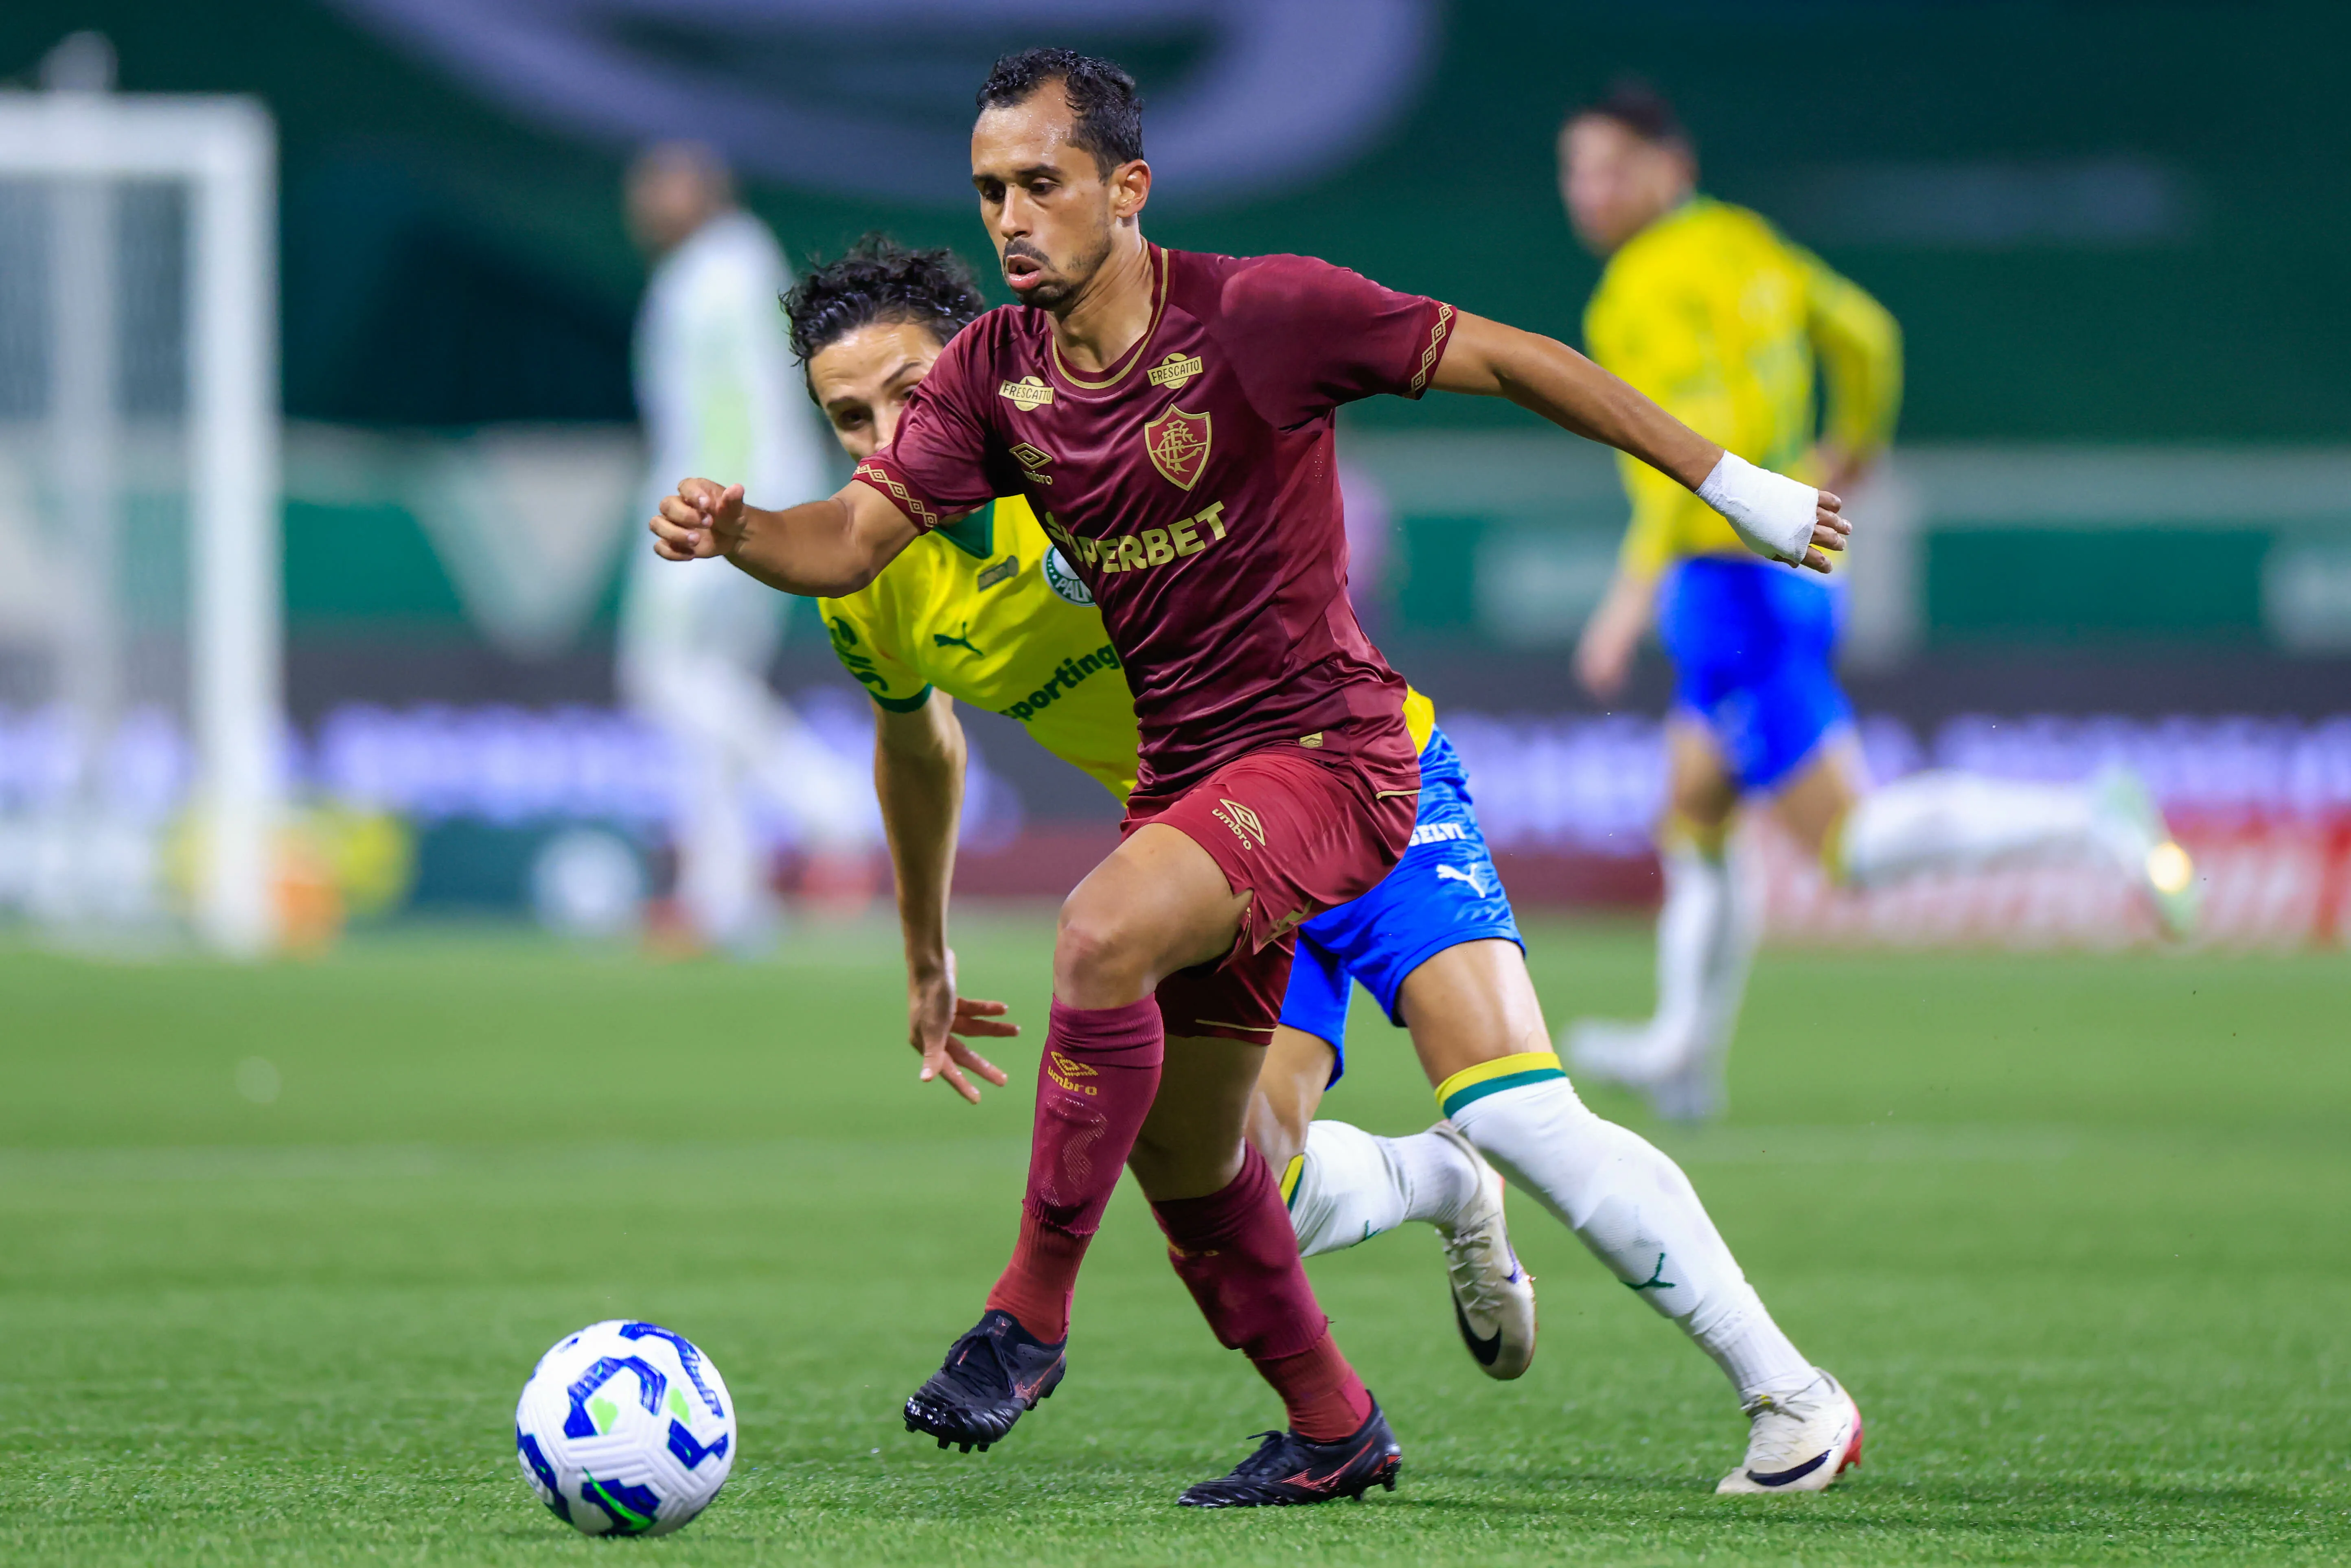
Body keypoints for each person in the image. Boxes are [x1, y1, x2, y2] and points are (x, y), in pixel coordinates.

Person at [649, 50, 1851, 1507]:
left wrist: (1737, 485)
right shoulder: (950, 468)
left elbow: (1516, 358)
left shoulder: (1253, 317)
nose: (883, 435)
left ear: (1123, 187)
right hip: (1207, 835)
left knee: (1509, 1101)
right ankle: (1401, 1263)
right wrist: (738, 530)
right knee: (1215, 1168)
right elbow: (891, 680)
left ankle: (1792, 1397)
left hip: (1358, 775)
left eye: (1039, 182)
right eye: (990, 190)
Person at [1558, 83, 2199, 1121]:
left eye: (1609, 168)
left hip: (1729, 581)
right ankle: (1683, 1051)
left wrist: (1627, 595)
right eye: (1574, 169)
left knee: (1845, 846)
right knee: (1696, 812)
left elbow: (1686, 447)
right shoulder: (1744, 241)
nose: (1587, 191)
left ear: (1668, 170)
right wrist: (1850, 449)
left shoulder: (1638, 288)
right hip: (1783, 568)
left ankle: (2092, 819)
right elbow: (1865, 335)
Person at [615, 141, 870, 953]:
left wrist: (726, 519)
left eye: (664, 185)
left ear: (705, 192)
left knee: (663, 678)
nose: (648, 202)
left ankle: (830, 807)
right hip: (743, 498)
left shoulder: (713, 278)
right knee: (712, 692)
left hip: (718, 506)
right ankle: (724, 895)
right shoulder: (736, 266)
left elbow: (739, 408)